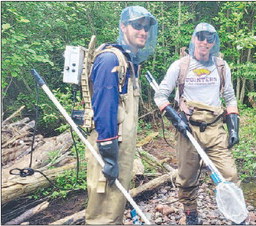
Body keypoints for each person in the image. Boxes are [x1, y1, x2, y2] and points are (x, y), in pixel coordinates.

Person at [154, 22, 241, 225]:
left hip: (215, 128)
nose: (204, 42)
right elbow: (160, 96)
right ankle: (191, 214)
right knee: (186, 177)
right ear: (194, 39)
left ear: (214, 43)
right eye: (200, 37)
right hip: (188, 129)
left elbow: (230, 97)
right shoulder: (180, 66)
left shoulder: (221, 66)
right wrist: (177, 121)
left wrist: (234, 127)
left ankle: (237, 215)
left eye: (209, 39)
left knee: (230, 174)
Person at [85, 6, 157, 224]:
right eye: (137, 26)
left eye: (146, 28)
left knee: (115, 202)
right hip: (109, 148)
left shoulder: (130, 62)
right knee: (103, 209)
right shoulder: (110, 60)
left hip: (121, 147)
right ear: (123, 27)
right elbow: (104, 109)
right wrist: (108, 154)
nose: (143, 31)